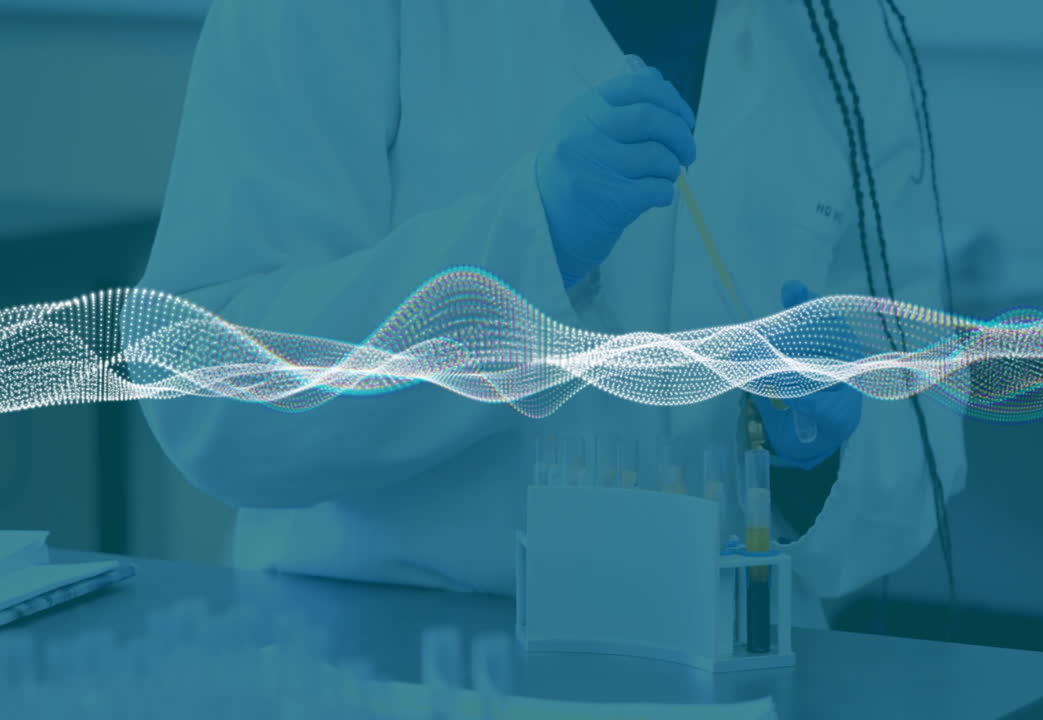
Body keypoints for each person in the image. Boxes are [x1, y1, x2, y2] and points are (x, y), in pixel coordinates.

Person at [140, 0, 966, 628]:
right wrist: (532, 243)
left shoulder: (845, 37)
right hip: (387, 652)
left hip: (731, 664)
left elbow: (920, 466)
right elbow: (207, 396)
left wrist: (811, 461)